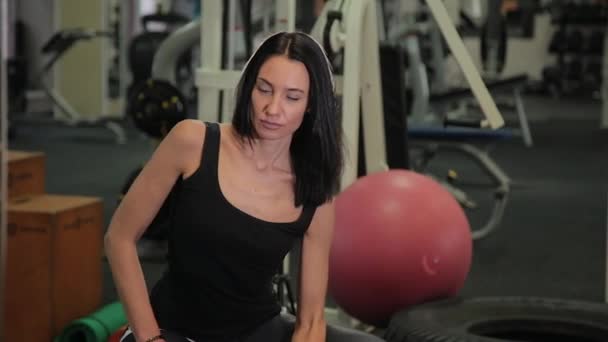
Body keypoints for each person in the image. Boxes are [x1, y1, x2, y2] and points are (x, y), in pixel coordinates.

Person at [104, 31, 385, 342]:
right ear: (250, 86)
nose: (273, 108)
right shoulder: (192, 142)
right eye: (264, 90)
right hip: (175, 329)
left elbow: (310, 320)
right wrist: (149, 337)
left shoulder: (313, 189)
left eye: (292, 97)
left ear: (310, 106)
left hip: (255, 330)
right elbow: (119, 238)